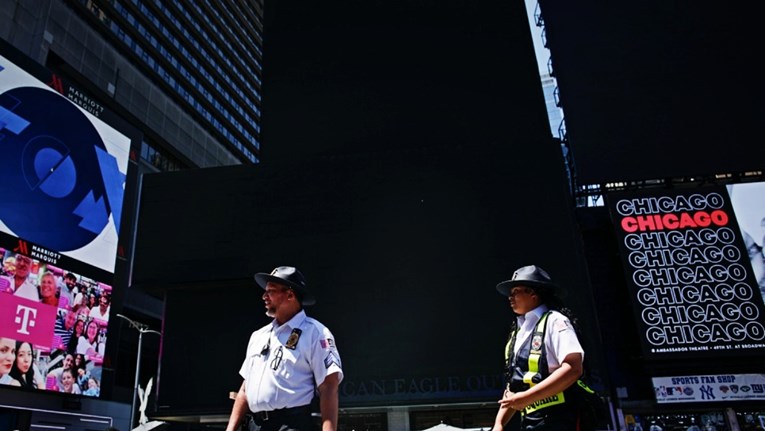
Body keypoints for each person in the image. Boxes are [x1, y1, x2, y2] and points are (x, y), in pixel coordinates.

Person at [225, 266, 343, 431]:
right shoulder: (258, 336)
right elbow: (245, 388)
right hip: (257, 425)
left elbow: (328, 386)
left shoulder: (316, 332)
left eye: (271, 291)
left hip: (292, 424)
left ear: (290, 294)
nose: (264, 296)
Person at [491, 265, 585, 431]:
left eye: (515, 292)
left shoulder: (555, 321)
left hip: (561, 419)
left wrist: (527, 398)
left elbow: (573, 368)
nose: (510, 297)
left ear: (533, 293)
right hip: (531, 421)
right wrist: (499, 424)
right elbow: (515, 385)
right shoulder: (518, 332)